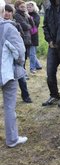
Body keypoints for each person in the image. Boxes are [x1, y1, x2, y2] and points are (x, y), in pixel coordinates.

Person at [0, 0, 28, 147]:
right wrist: (19, 63)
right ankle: (12, 139)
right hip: (6, 73)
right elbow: (19, 52)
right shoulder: (8, 28)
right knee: (9, 107)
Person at [4, 3, 32, 103]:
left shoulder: (15, 24)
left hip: (15, 55)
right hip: (4, 56)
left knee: (20, 76)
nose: (7, 13)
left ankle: (26, 96)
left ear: (12, 13)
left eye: (9, 11)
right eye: (5, 11)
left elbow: (21, 37)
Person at [26, 1, 42, 74]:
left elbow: (35, 24)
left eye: (30, 7)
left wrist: (29, 18)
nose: (29, 8)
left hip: (33, 36)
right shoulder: (25, 15)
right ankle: (38, 65)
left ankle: (32, 68)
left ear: (34, 7)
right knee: (29, 54)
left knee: (32, 53)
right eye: (28, 7)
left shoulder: (36, 15)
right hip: (27, 36)